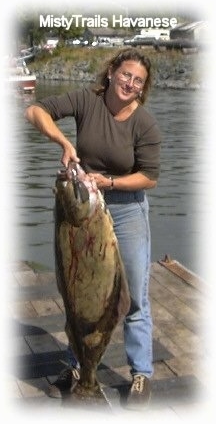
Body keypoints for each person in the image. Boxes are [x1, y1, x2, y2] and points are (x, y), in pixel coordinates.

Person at [25, 48, 161, 409]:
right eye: (126, 74)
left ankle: (140, 373)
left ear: (143, 88)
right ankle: (78, 368)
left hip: (126, 210)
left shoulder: (143, 123)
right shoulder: (87, 100)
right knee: (76, 293)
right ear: (113, 71)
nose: (129, 83)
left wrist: (111, 183)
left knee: (132, 297)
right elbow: (34, 111)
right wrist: (64, 142)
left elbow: (149, 177)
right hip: (82, 207)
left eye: (138, 81)